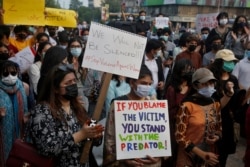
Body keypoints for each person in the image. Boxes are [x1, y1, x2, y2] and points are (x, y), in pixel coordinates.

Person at [28, 63, 104, 167]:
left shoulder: (78, 108)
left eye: (74, 81)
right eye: (68, 83)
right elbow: (46, 148)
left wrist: (95, 135)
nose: (73, 85)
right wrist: (81, 135)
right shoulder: (42, 111)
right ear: (55, 88)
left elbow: (90, 140)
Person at [103, 65, 163, 167]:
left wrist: (160, 155)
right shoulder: (118, 105)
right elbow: (110, 140)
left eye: (150, 84)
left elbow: (162, 136)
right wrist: (123, 159)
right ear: (132, 83)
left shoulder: (155, 105)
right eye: (143, 83)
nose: (147, 87)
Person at [175, 67, 221, 167]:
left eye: (211, 83)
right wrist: (202, 154)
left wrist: (216, 137)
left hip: (209, 157)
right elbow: (179, 137)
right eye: (204, 84)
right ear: (196, 85)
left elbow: (219, 128)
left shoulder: (215, 103)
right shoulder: (186, 105)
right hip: (188, 157)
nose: (209, 86)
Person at [208, 49, 246, 167]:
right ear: (220, 62)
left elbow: (237, 104)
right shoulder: (212, 79)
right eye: (228, 62)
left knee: (223, 155)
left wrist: (245, 95)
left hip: (228, 122)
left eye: (233, 62)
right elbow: (216, 107)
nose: (231, 64)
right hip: (215, 121)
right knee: (213, 154)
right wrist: (228, 94)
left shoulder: (233, 79)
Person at [163, 58, 194, 167]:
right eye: (186, 70)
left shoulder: (192, 88)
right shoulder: (172, 89)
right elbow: (169, 110)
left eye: (190, 69)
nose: (189, 72)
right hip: (174, 127)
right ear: (179, 70)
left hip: (189, 128)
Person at [0, 60, 28, 166]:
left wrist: (27, 116)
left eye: (13, 73)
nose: (10, 76)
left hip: (20, 129)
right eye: (6, 74)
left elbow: (26, 108)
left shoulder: (21, 86)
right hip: (3, 134)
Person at [67, 38, 89, 110]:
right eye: (73, 46)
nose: (75, 49)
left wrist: (85, 71)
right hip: (69, 93)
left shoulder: (84, 62)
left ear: (81, 48)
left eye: (78, 46)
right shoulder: (66, 62)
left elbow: (84, 82)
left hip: (82, 93)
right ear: (69, 48)